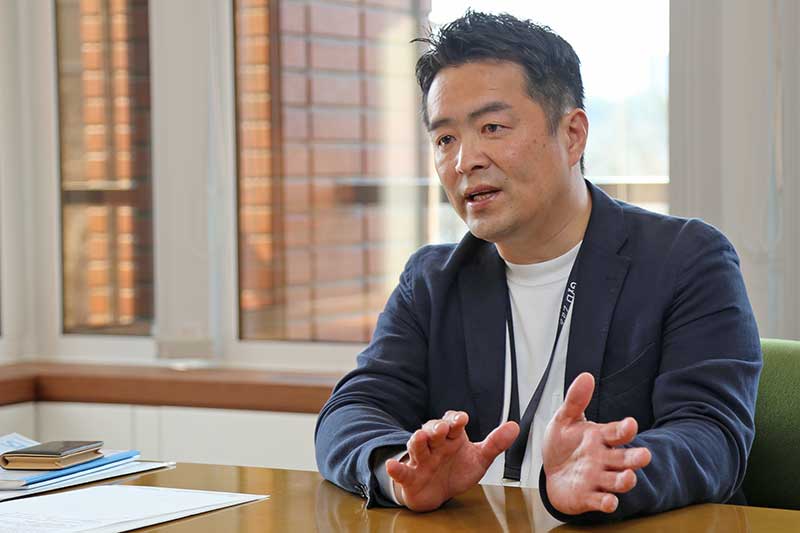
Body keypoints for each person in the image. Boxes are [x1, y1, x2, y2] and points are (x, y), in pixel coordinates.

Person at [314, 11, 761, 523]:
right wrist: (399, 471)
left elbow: (712, 435)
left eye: (492, 127)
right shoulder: (433, 281)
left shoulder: (686, 260)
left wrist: (608, 473)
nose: (464, 161)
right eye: (445, 139)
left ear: (572, 135)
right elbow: (351, 411)